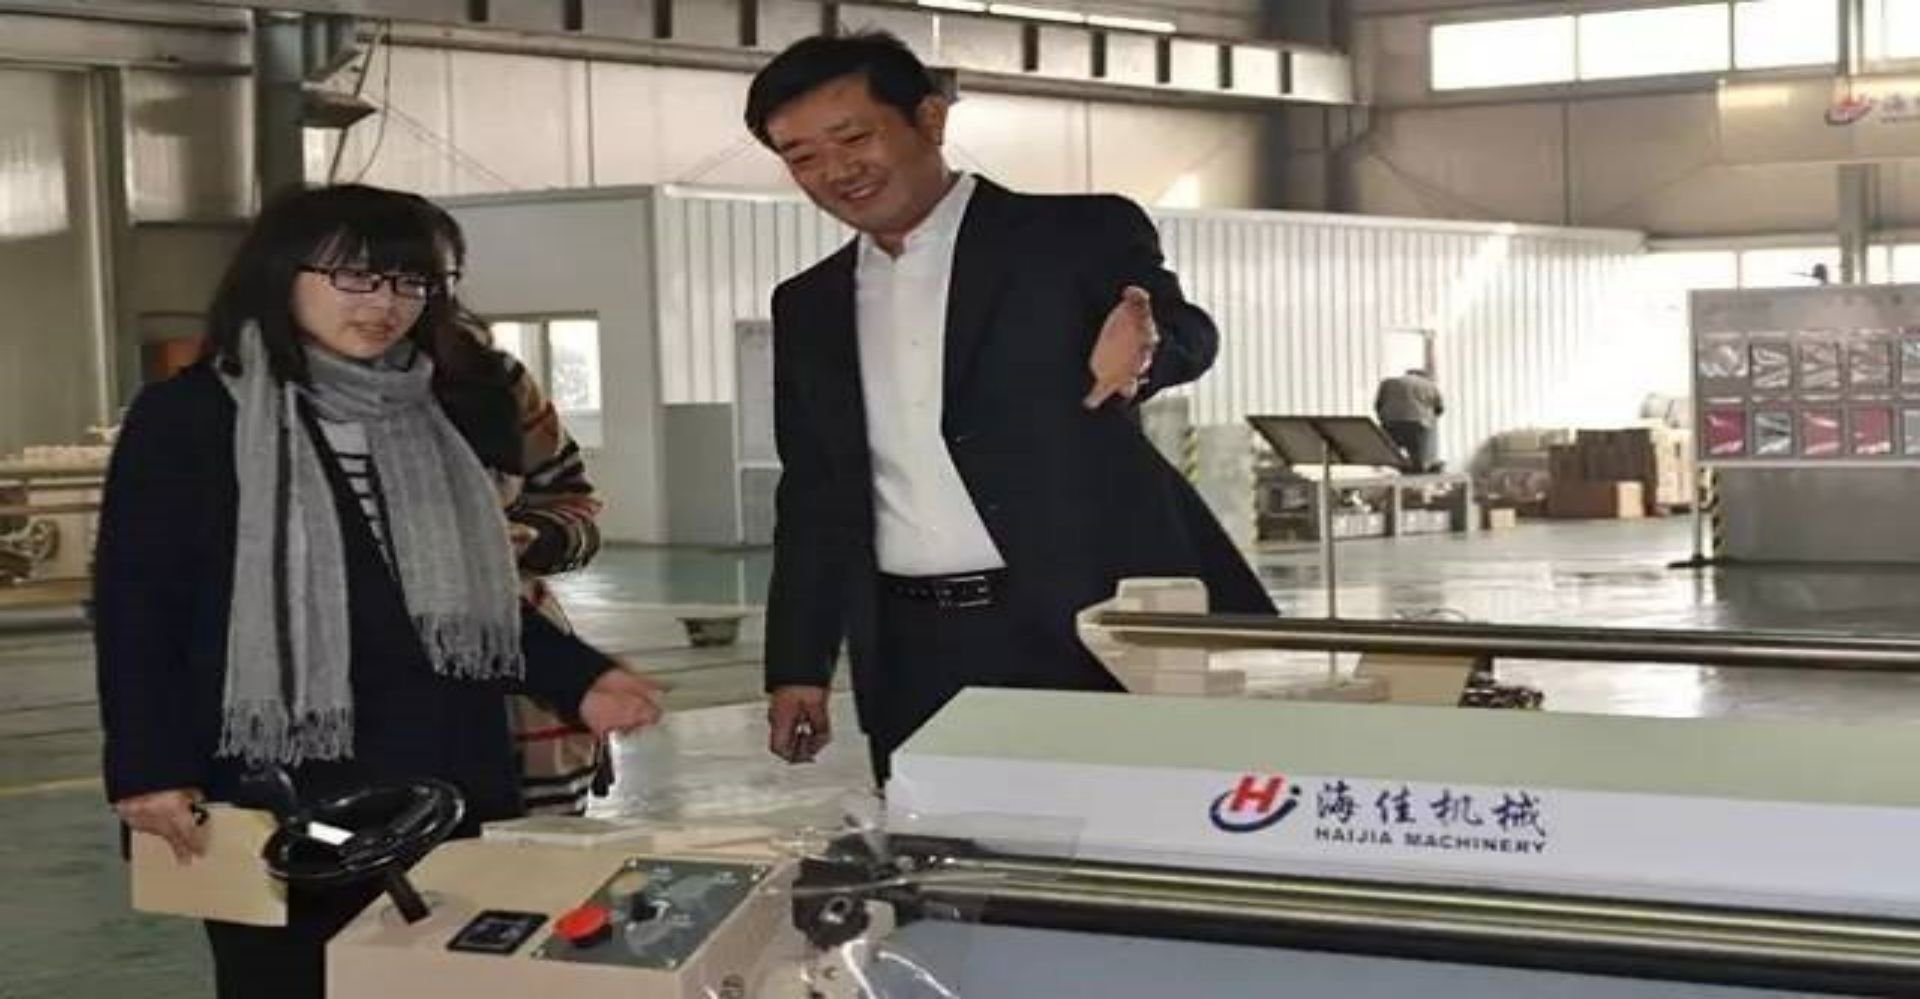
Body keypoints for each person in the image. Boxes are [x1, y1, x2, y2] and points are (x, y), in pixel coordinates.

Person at [92, 184, 665, 999]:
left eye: (410, 281)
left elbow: (460, 601)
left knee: (450, 978)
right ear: (280, 273)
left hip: (444, 767)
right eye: (355, 277)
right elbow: (137, 604)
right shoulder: (192, 416)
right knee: (294, 980)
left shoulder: (440, 409)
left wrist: (581, 677)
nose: (384, 303)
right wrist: (148, 765)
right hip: (281, 780)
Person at [744, 32, 1276, 781]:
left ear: (930, 118)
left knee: (1121, 833)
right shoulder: (808, 304)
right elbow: (814, 495)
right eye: (801, 157)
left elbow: (1186, 328)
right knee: (941, 849)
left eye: (854, 137)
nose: (835, 170)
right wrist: (797, 665)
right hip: (912, 649)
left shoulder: (1071, 235)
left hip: (1089, 626)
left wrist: (1147, 349)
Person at [420, 205, 611, 816]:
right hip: (364, 710)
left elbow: (575, 503)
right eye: (361, 278)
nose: (388, 302)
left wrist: (536, 536)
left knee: (530, 862)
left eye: (423, 280)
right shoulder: (253, 406)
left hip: (521, 700)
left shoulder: (492, 382)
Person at [1374, 368, 1445, 473]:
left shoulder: (1388, 383)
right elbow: (1439, 408)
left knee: (1390, 454)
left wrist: (1384, 418)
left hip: (1390, 422)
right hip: (1416, 423)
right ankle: (1416, 474)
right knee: (1417, 456)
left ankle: (1393, 473)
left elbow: (1378, 405)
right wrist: (1429, 418)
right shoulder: (1429, 385)